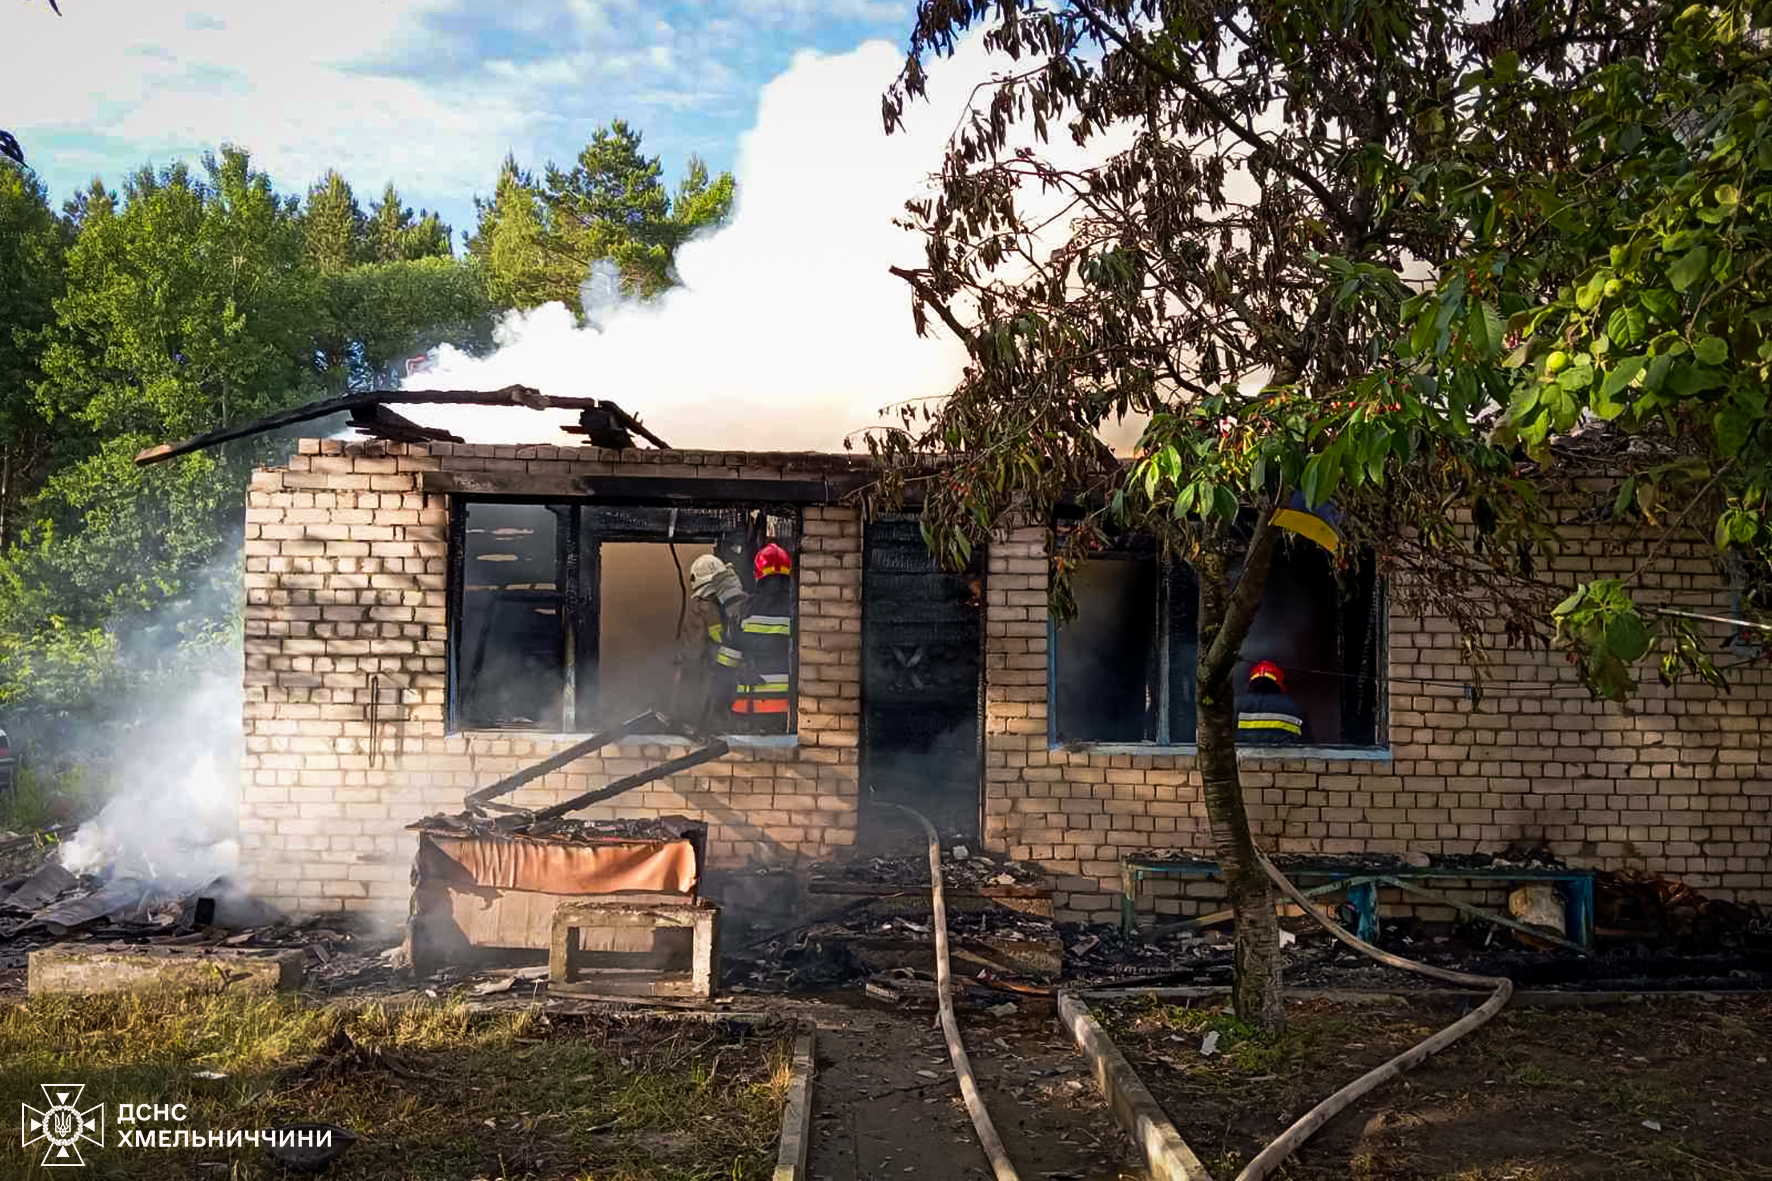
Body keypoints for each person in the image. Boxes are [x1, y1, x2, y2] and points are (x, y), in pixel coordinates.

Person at [679, 553, 749, 731]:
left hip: (710, 683)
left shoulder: (700, 607)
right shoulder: (739, 605)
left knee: (706, 732)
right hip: (740, 683)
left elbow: (693, 654)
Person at [734, 543, 795, 733]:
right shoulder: (798, 609)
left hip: (749, 706)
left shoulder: (745, 608)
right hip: (787, 709)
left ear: (757, 573)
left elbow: (729, 653)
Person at [1236, 660, 1312, 746]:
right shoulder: (1295, 709)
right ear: (1280, 683)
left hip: (1241, 758)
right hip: (1286, 758)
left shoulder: (1236, 705)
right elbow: (1309, 747)